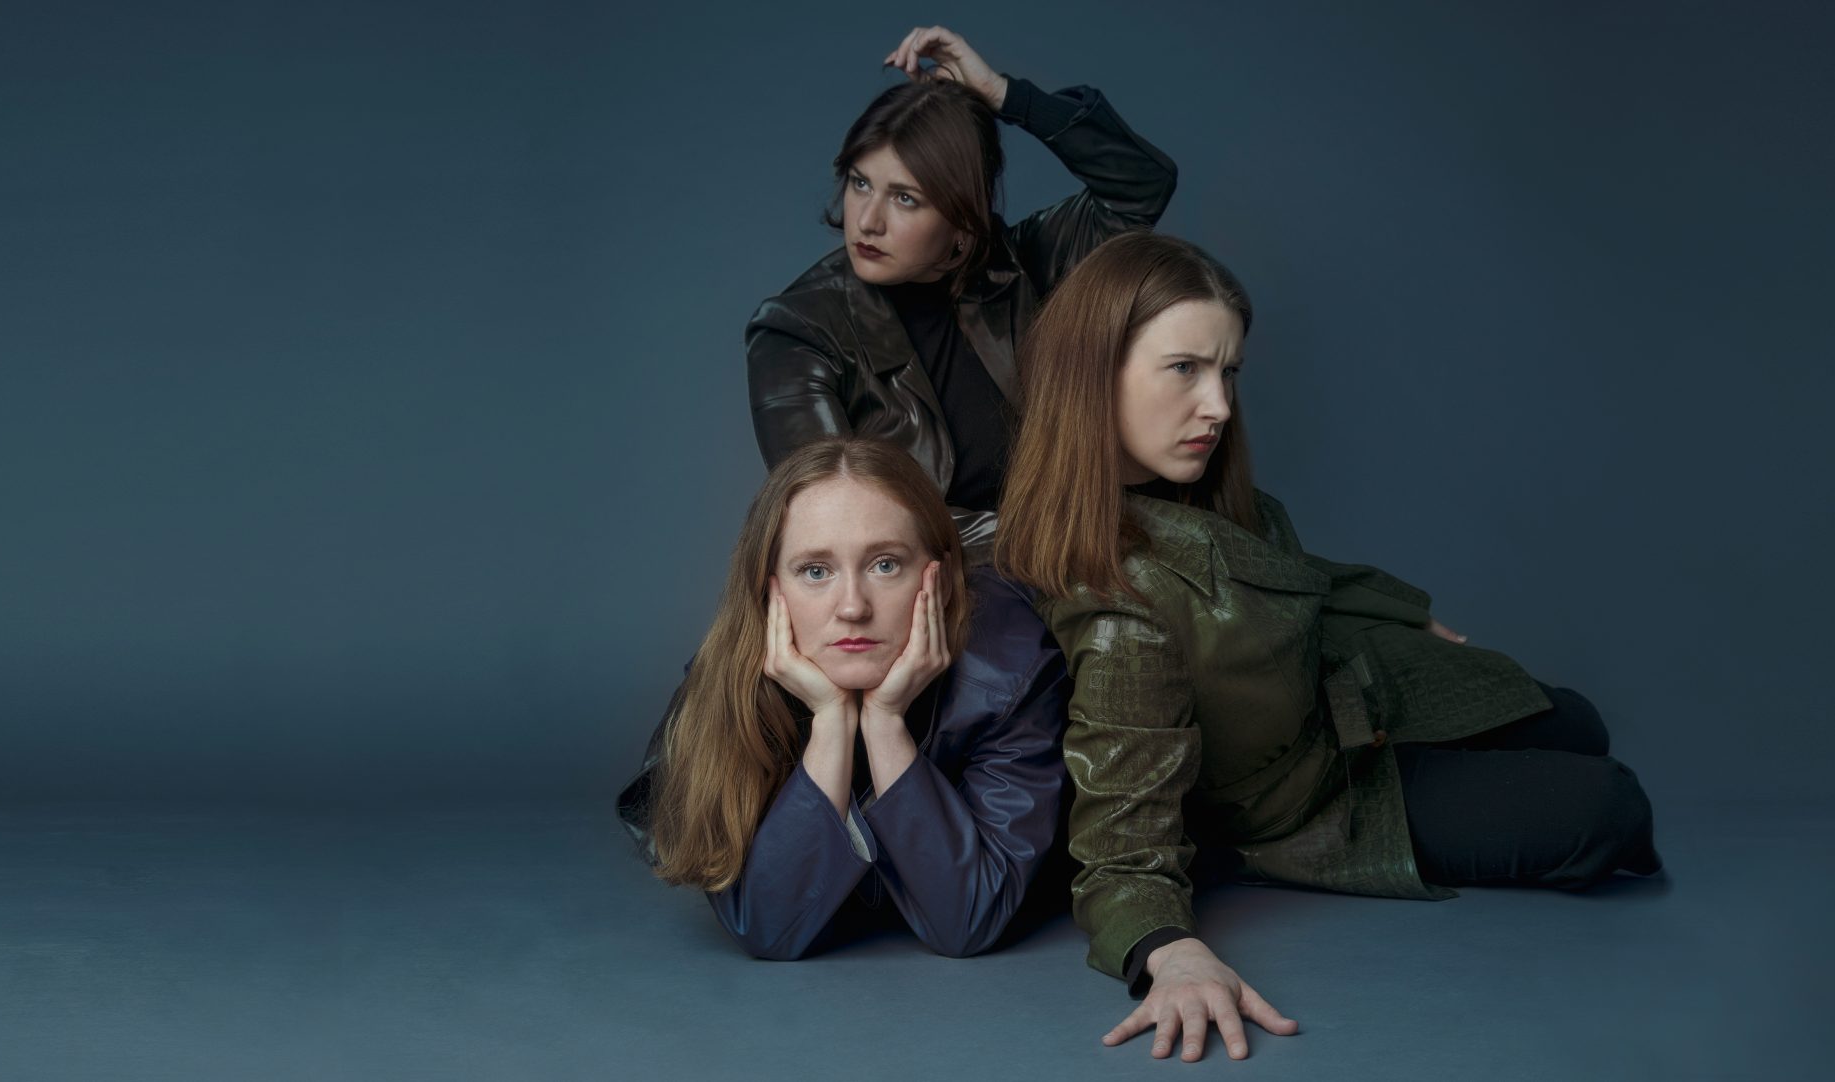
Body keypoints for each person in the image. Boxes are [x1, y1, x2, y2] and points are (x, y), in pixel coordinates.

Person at [994, 232, 1662, 1061]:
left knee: (1577, 720)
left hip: (1341, 701)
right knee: (1610, 809)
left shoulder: (1181, 488)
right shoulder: (1118, 608)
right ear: (1091, 373)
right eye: (1185, 369)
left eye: (1228, 372)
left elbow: (1289, 577)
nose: (1218, 406)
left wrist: (1399, 614)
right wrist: (1168, 950)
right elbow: (1118, 836)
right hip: (1316, 804)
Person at [617, 437, 1069, 960]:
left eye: (885, 565)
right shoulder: (729, 677)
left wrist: (884, 723)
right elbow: (768, 925)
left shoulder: (1012, 675)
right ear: (769, 591)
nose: (852, 607)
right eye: (816, 571)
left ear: (941, 581)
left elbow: (968, 916)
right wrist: (832, 721)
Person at [748, 26, 1178, 563]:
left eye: (905, 198)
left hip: (1074, 550)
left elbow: (1141, 185)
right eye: (861, 183)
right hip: (944, 577)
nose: (868, 221)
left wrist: (1005, 96)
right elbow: (842, 513)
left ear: (961, 215)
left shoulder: (1016, 265)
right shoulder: (796, 330)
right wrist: (1049, 537)